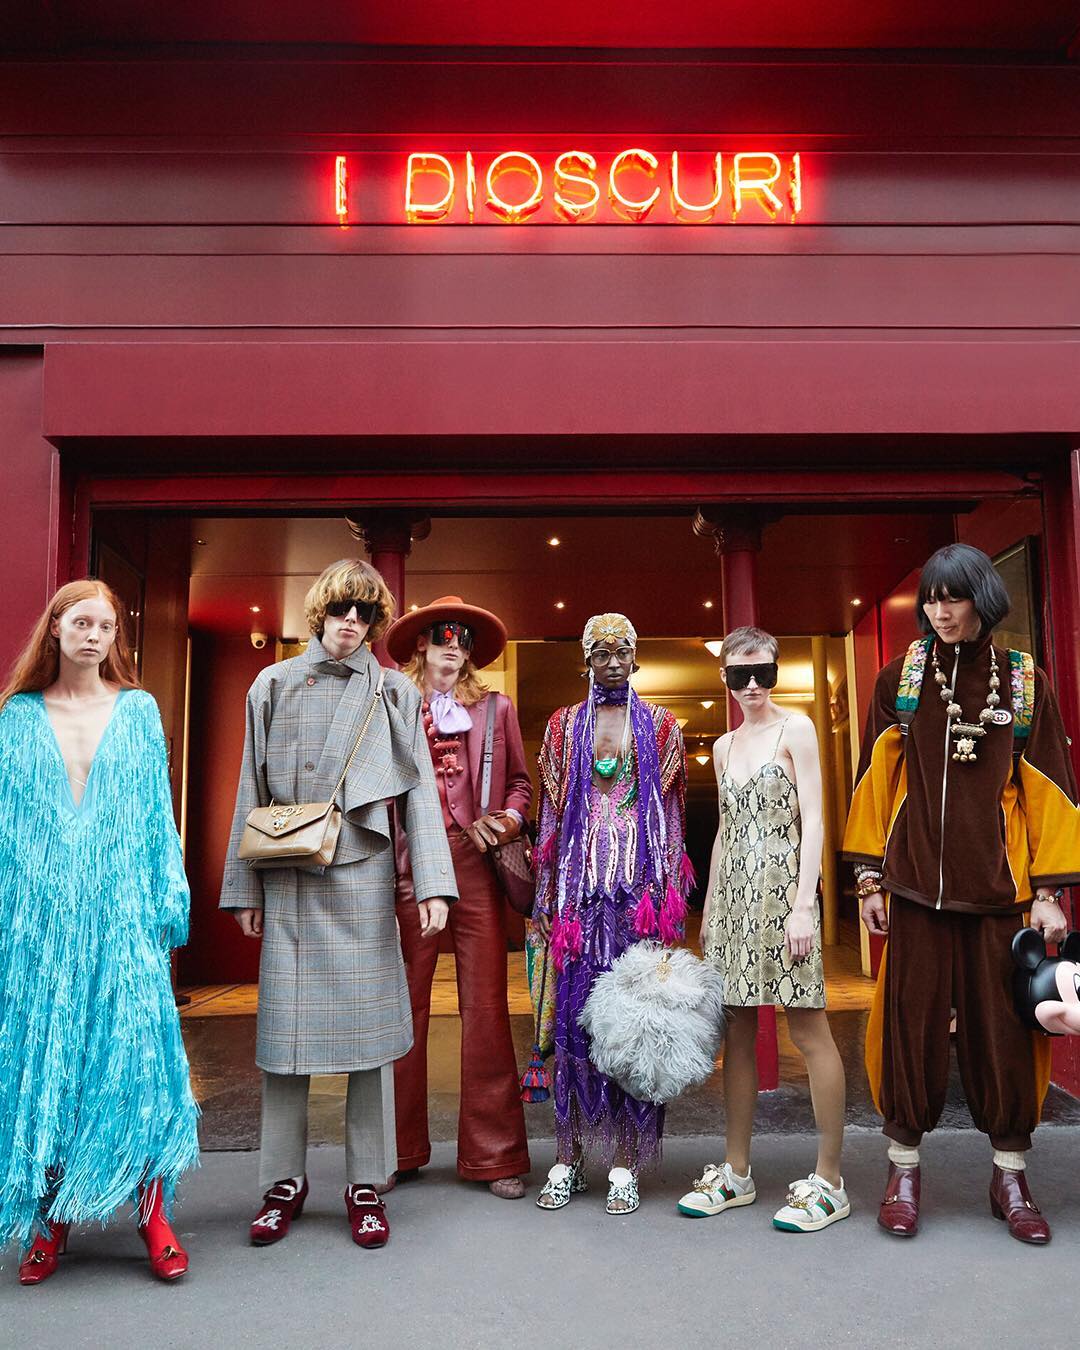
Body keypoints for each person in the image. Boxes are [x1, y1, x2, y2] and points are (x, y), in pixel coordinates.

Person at [843, 543, 1080, 1243]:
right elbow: (873, 781)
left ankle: (1011, 1176)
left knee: (1005, 1036)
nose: (940, 611)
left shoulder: (1024, 681)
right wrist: (868, 878)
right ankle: (902, 1171)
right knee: (908, 1028)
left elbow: (1050, 784)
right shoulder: (902, 678)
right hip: (915, 888)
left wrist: (1049, 889)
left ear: (983, 597)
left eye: (953, 597)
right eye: (931, 598)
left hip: (1002, 896)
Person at [221, 559, 456, 1250]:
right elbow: (249, 785)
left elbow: (419, 794)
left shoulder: (394, 690)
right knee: (284, 1040)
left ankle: (366, 1183)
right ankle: (282, 1183)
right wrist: (243, 888)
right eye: (340, 610)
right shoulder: (271, 684)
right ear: (319, 613)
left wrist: (434, 884)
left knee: (369, 1040)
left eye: (365, 613)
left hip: (362, 880)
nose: (351, 622)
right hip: (289, 876)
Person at [0, 579, 199, 1285]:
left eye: (106, 626)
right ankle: (50, 1220)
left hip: (123, 917)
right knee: (53, 1063)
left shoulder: (138, 711)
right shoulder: (17, 716)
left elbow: (155, 817)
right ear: (54, 628)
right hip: (41, 926)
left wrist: (167, 903)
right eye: (81, 622)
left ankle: (153, 1215)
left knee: (136, 1061)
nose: (93, 636)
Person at [679, 627, 849, 1232]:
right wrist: (709, 911)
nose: (752, 685)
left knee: (808, 1028)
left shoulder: (796, 729)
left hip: (785, 899)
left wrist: (804, 905)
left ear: (775, 673)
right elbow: (724, 830)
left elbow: (815, 819)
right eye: (739, 674)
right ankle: (736, 1171)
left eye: (763, 673)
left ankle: (830, 1179)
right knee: (739, 1032)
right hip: (733, 903)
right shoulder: (724, 746)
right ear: (725, 677)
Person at [532, 613, 689, 1215]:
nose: (614, 662)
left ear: (636, 656)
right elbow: (550, 817)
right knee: (575, 1023)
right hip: (578, 898)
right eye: (602, 653)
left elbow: (671, 816)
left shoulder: (662, 726)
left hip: (636, 898)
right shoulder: (562, 726)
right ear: (587, 661)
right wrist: (546, 895)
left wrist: (668, 900)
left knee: (634, 1025)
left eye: (622, 651)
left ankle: (625, 1161)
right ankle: (568, 1155)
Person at [385, 596, 532, 1198]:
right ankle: (395, 1149)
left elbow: (520, 784)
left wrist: (508, 821)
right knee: (404, 1007)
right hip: (410, 866)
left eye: (465, 638)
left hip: (475, 862)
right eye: (445, 634)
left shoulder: (496, 709)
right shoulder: (393, 703)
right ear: (422, 642)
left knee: (486, 1006)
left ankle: (495, 1155)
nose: (455, 646)